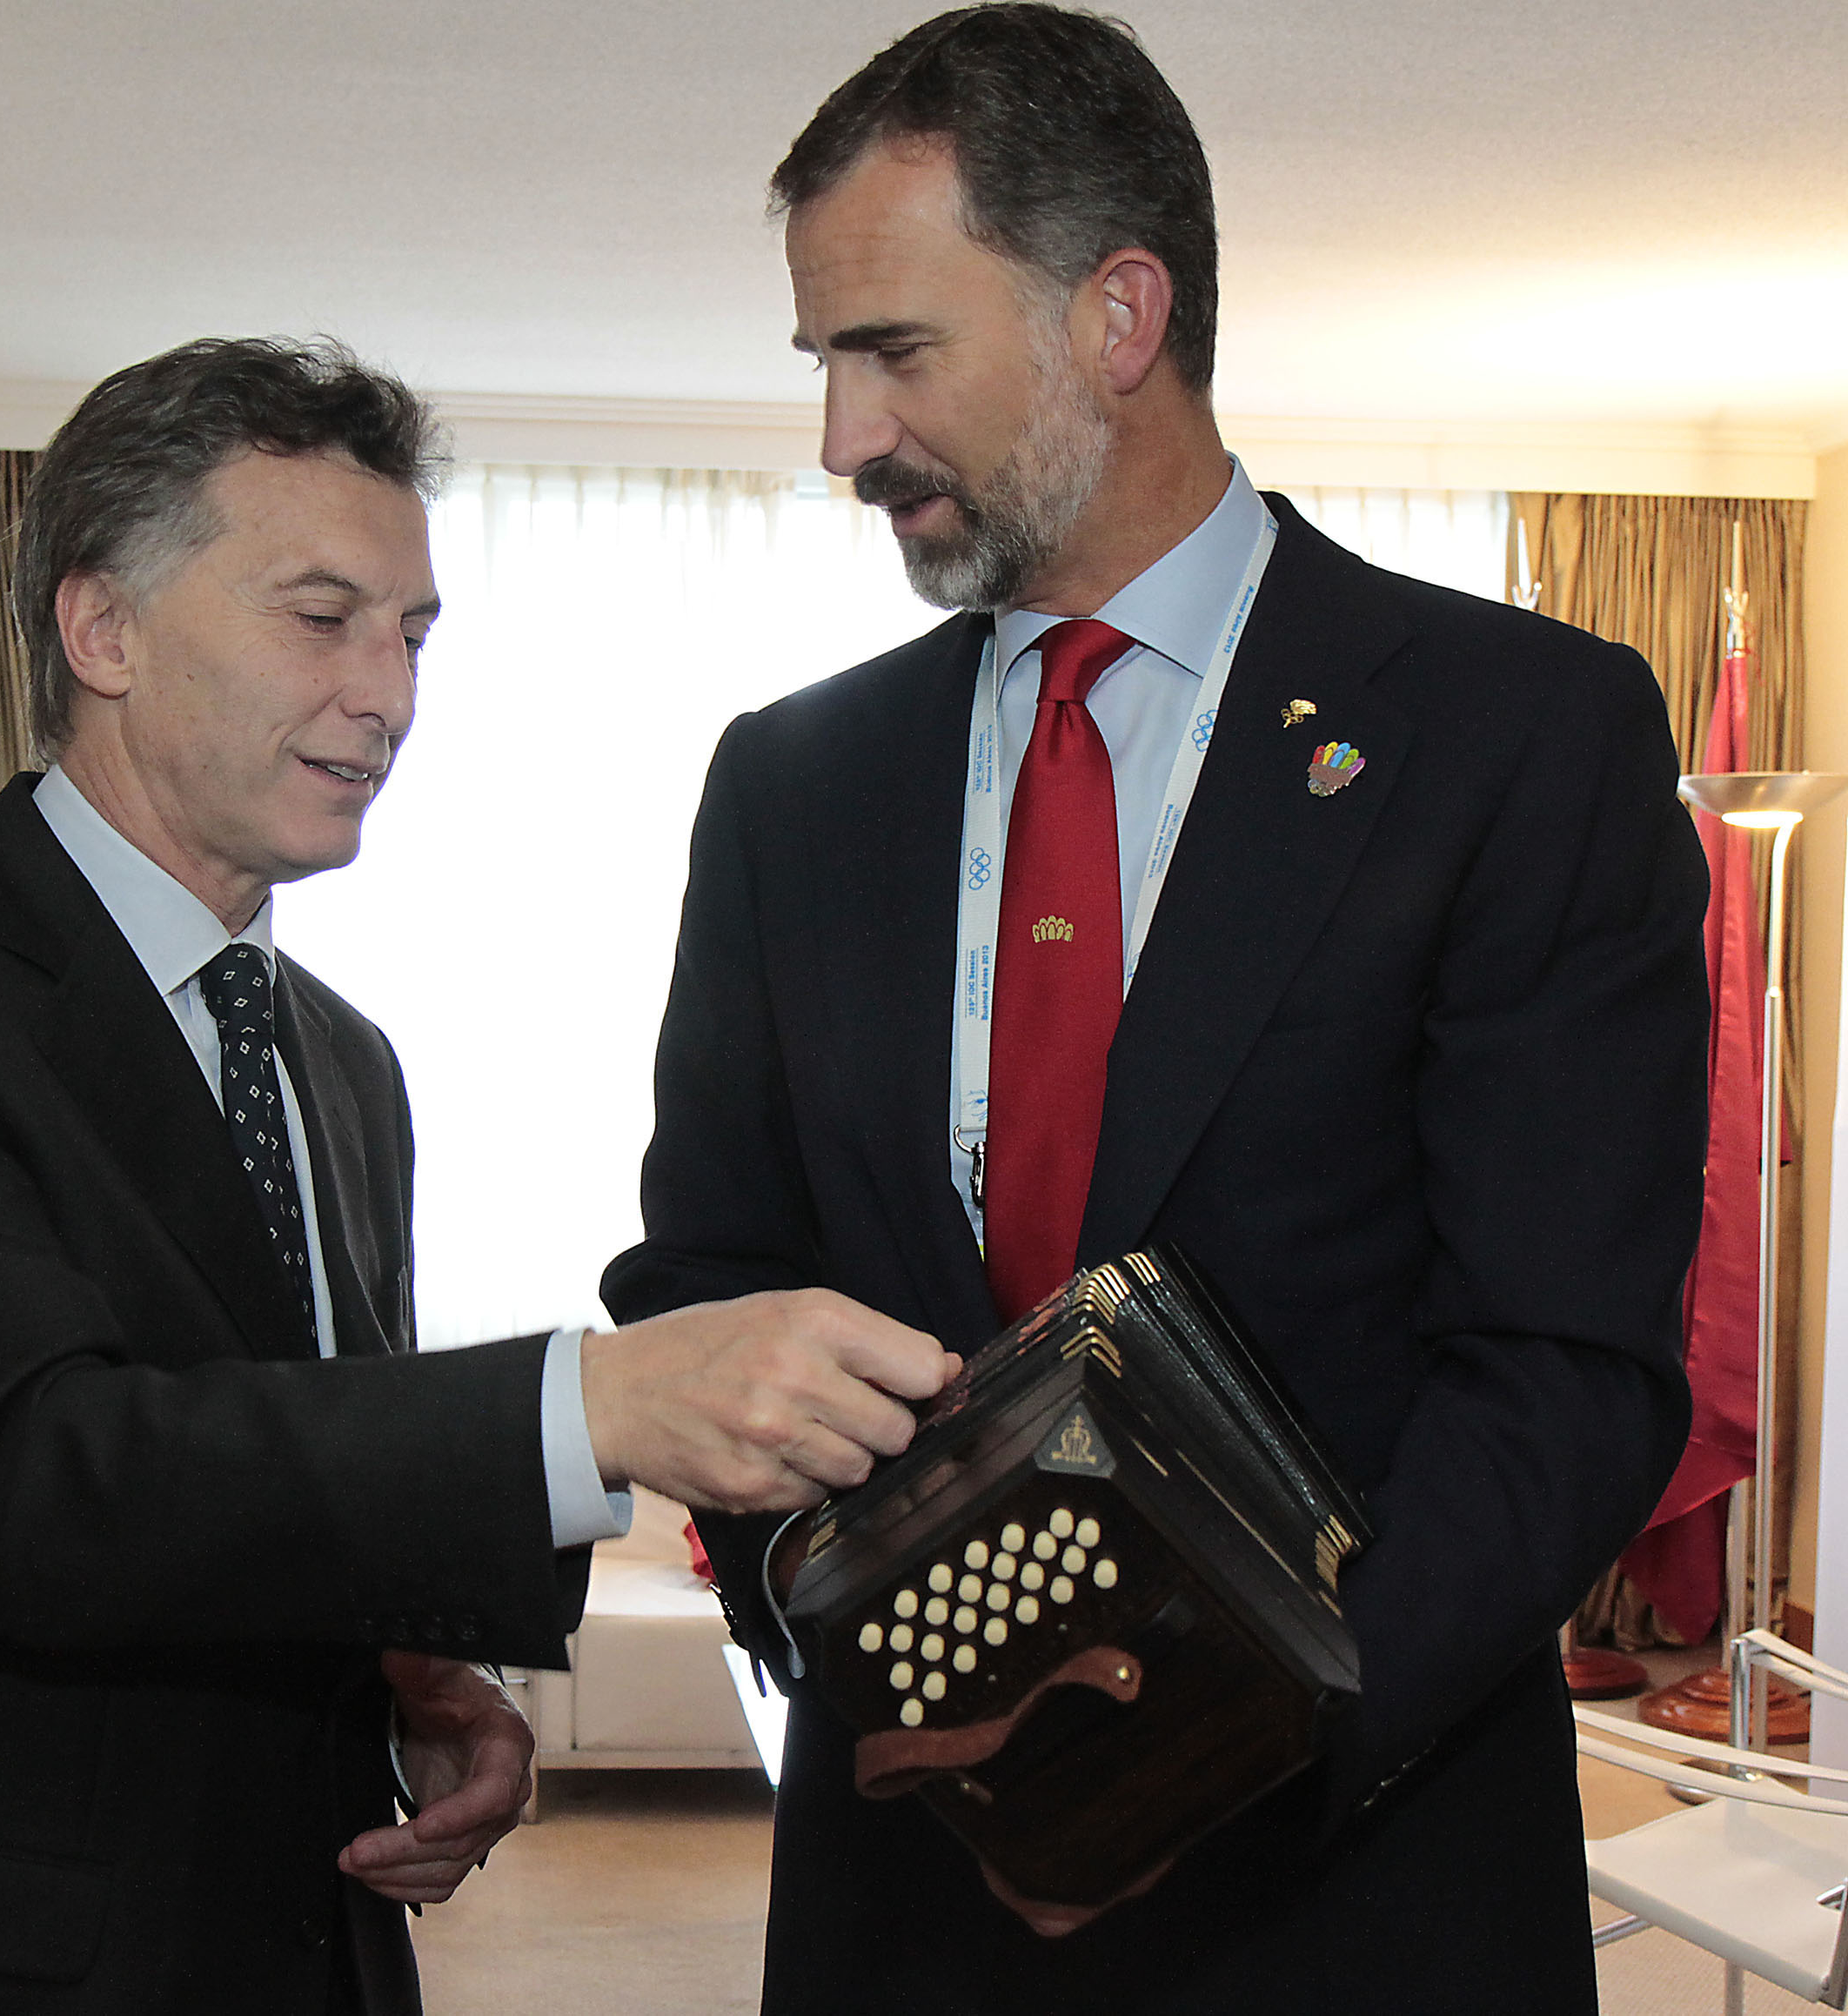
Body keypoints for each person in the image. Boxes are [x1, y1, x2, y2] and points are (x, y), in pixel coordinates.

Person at [0, 337, 953, 2016]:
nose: (390, 695)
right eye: (323, 619)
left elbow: (286, 1474)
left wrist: (418, 1674)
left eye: (413, 634)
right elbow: (43, 1486)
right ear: (102, 629)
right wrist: (593, 1402)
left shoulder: (342, 1060)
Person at [602, 9, 1710, 2013]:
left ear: (1118, 314)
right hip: (903, 1896)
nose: (840, 436)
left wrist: (1205, 1763)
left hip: (1351, 1895)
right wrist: (853, 1636)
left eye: (893, 351)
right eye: (822, 361)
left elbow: (1562, 1364)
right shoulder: (791, 785)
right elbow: (707, 1275)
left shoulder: (1516, 737)